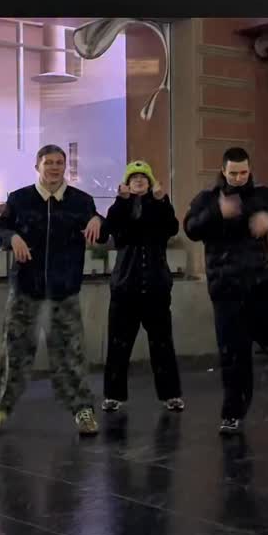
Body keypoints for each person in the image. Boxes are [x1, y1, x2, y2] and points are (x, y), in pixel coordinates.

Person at [0, 144, 104, 437]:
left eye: (59, 162)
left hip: (64, 292)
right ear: (37, 166)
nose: (54, 168)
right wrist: (12, 238)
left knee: (71, 355)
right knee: (12, 354)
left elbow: (103, 231)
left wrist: (99, 220)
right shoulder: (20, 199)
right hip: (26, 291)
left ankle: (83, 410)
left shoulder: (81, 201)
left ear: (65, 167)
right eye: (48, 162)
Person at [184, 147, 268, 435]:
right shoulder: (208, 198)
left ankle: (265, 337)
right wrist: (218, 212)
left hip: (260, 279)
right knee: (234, 355)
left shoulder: (261, 195)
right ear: (223, 171)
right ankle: (232, 414)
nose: (238, 178)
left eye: (243, 172)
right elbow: (191, 228)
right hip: (225, 285)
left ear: (249, 170)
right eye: (233, 173)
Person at [101, 161, 184, 413]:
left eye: (143, 177)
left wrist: (162, 200)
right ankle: (113, 395)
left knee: (162, 344)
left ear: (150, 182)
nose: (139, 181)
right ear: (127, 183)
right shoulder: (121, 206)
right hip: (125, 287)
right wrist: (122, 201)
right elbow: (110, 229)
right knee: (118, 344)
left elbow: (171, 227)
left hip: (156, 287)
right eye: (134, 177)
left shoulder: (158, 205)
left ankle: (171, 395)